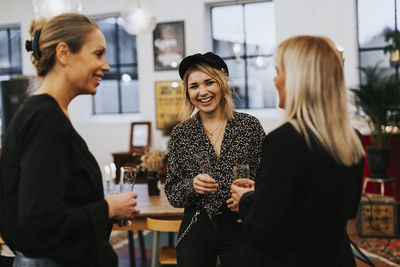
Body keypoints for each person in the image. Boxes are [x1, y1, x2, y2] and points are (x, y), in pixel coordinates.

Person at [0, 13, 139, 267]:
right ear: (63, 53)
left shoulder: (49, 115)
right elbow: (39, 222)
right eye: (98, 54)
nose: (106, 66)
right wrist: (107, 208)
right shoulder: (45, 119)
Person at [230, 35, 365, 267]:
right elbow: (344, 213)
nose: (274, 80)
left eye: (278, 71)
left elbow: (262, 230)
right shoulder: (352, 140)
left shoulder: (283, 142)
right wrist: (265, 193)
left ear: (297, 79)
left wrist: (248, 199)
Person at [164, 52, 265, 267]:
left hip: (241, 222)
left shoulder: (249, 127)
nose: (202, 92)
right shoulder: (182, 134)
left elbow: (269, 180)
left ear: (223, 84)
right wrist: (192, 185)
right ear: (187, 91)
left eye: (209, 82)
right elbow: (172, 193)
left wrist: (252, 193)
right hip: (197, 223)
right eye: (194, 86)